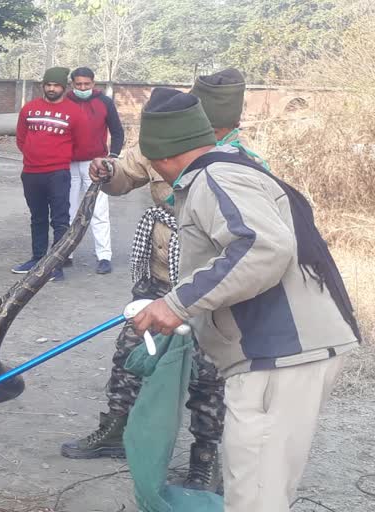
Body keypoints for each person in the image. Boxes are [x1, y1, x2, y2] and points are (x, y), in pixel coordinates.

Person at [130, 87, 359, 511]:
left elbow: (263, 248)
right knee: (256, 484)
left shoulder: (218, 178)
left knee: (255, 494)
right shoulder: (231, 170)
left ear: (161, 157)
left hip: (279, 352)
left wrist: (175, 303)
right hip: (282, 353)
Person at [61, 69, 249, 492]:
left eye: (221, 130)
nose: (213, 136)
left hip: (208, 288)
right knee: (130, 353)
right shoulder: (163, 143)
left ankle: (205, 456)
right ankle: (115, 429)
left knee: (208, 372)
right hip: (159, 275)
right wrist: (106, 170)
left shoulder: (242, 165)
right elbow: (126, 174)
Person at [13, 67, 84, 282]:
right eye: (48, 85)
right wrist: (34, 156)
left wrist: (57, 157)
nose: (51, 89)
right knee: (38, 217)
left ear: (64, 87)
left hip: (58, 173)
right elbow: (21, 138)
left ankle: (56, 264)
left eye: (56, 85)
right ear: (43, 86)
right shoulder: (30, 109)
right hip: (32, 173)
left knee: (61, 219)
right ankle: (37, 258)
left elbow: (79, 144)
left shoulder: (74, 112)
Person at [66, 67, 124, 275]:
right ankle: (66, 254)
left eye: (86, 84)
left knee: (99, 211)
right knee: (68, 210)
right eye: (78, 84)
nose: (83, 88)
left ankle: (104, 256)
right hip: (69, 164)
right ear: (72, 84)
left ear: (93, 83)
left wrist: (113, 157)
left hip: (96, 163)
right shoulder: (65, 102)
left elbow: (117, 131)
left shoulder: (105, 102)